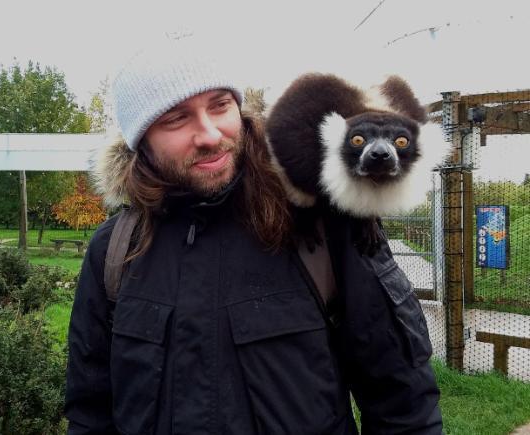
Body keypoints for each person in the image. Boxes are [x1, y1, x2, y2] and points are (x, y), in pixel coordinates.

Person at [64, 34, 443, 435]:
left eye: (220, 105)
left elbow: (403, 403)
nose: (209, 134)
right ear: (141, 140)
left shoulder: (322, 226)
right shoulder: (114, 252)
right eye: (176, 118)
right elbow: (90, 412)